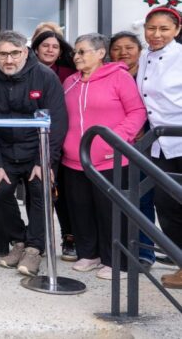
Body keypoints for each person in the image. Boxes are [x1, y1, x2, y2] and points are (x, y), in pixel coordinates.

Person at [0, 30, 68, 277]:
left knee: (41, 193)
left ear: (25, 52)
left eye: (14, 53)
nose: (9, 60)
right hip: (5, 153)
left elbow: (58, 122)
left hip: (38, 151)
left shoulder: (45, 77)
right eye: (2, 54)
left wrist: (44, 161)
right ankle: (19, 242)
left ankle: (34, 249)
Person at [61, 33, 146, 280]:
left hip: (110, 159)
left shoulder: (119, 77)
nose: (76, 57)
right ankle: (89, 254)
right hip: (74, 159)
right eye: (75, 52)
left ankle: (116, 261)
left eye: (82, 51)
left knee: (111, 212)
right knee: (81, 209)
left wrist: (114, 140)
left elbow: (137, 111)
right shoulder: (70, 82)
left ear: (100, 53)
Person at [136, 4, 182, 289]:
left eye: (164, 29)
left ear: (177, 30)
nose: (156, 34)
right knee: (166, 205)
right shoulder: (145, 57)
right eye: (151, 28)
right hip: (160, 145)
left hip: (180, 139)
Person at [110, 31, 155, 267]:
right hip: (119, 145)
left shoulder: (149, 75)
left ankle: (146, 252)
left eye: (129, 47)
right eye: (117, 48)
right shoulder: (110, 75)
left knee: (145, 198)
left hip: (149, 144)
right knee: (124, 198)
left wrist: (143, 128)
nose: (123, 52)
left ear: (140, 50)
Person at [32, 30, 77, 261]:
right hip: (31, 139)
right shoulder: (25, 70)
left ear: (60, 52)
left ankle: (69, 237)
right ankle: (35, 241)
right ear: (36, 48)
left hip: (61, 137)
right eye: (45, 45)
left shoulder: (69, 74)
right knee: (38, 193)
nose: (50, 50)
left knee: (60, 192)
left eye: (55, 46)